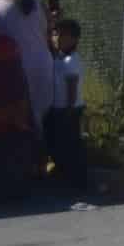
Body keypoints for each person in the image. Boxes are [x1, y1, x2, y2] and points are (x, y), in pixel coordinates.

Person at [0, 0, 58, 161]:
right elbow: (49, 33)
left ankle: (31, 162)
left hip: (18, 68)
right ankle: (46, 161)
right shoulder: (37, 3)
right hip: (43, 64)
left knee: (23, 119)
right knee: (42, 116)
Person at [45, 16, 90, 198]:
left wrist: (69, 109)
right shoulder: (59, 58)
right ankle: (64, 175)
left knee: (71, 145)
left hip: (69, 109)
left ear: (73, 39)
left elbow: (72, 86)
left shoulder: (71, 61)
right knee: (58, 144)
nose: (57, 38)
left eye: (61, 35)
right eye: (55, 34)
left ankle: (79, 180)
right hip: (58, 108)